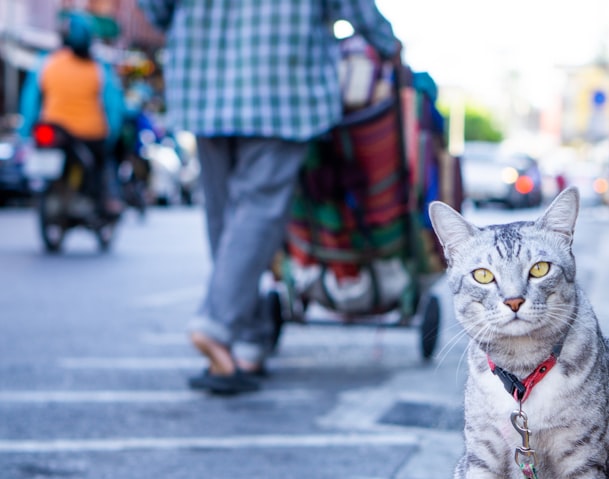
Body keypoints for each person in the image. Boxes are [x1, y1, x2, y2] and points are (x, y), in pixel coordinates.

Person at [138, 0, 401, 394]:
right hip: (281, 90)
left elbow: (156, 8)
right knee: (256, 212)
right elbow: (356, 9)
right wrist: (389, 45)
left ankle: (247, 343)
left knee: (226, 219)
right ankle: (216, 326)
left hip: (203, 82)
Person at [19, 11, 125, 219]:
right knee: (105, 161)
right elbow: (113, 107)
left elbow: (30, 102)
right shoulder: (99, 68)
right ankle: (109, 199)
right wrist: (112, 133)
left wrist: (25, 132)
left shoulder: (46, 62)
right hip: (90, 133)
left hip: (54, 129)